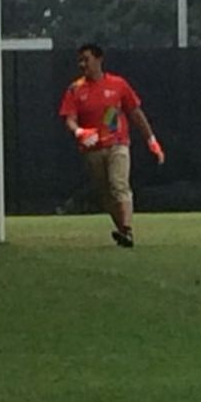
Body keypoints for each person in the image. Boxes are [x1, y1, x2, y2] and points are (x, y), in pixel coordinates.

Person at [58, 43, 165, 248]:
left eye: (86, 59)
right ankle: (124, 231)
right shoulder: (75, 89)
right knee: (106, 192)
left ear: (99, 59)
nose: (82, 65)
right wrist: (79, 132)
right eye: (80, 60)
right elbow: (70, 118)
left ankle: (126, 229)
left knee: (119, 185)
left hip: (118, 144)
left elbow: (135, 113)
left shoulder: (118, 85)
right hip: (92, 149)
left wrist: (151, 140)